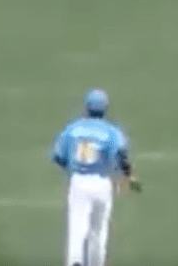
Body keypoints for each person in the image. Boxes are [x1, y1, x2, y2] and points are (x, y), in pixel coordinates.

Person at [50, 89, 140, 266]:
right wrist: (128, 175)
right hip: (102, 183)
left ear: (86, 107)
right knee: (98, 231)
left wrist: (70, 171)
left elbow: (58, 156)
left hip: (79, 181)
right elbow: (122, 156)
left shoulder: (73, 129)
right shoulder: (112, 131)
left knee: (77, 228)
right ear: (105, 108)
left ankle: (75, 262)